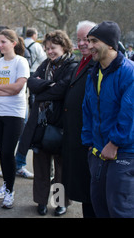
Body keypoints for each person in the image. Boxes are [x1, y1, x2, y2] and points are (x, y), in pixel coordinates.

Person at [19, 30, 77, 216]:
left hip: (60, 125)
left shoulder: (71, 65)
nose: (50, 51)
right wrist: (47, 86)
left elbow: (61, 90)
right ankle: (41, 202)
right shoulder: (45, 64)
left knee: (60, 169)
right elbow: (31, 82)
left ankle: (60, 203)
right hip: (40, 125)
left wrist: (42, 89)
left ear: (64, 47)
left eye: (54, 48)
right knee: (41, 167)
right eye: (47, 48)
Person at [82, 21, 134, 218]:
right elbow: (87, 109)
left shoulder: (129, 72)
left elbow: (129, 113)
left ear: (111, 44)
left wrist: (114, 143)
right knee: (100, 207)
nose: (89, 45)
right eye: (88, 41)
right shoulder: (94, 73)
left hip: (123, 154)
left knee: (120, 210)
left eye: (94, 41)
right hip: (97, 152)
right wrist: (88, 142)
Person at [0, 29, 30, 209]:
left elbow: (18, 88)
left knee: (7, 152)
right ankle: (6, 185)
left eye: (3, 41)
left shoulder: (21, 62)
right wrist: (5, 88)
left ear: (13, 43)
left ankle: (10, 191)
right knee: (2, 152)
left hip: (14, 114)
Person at [62, 20, 97, 218]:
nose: (83, 43)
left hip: (88, 138)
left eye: (87, 39)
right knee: (82, 189)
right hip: (74, 135)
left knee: (90, 190)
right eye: (79, 39)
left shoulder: (97, 63)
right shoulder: (79, 62)